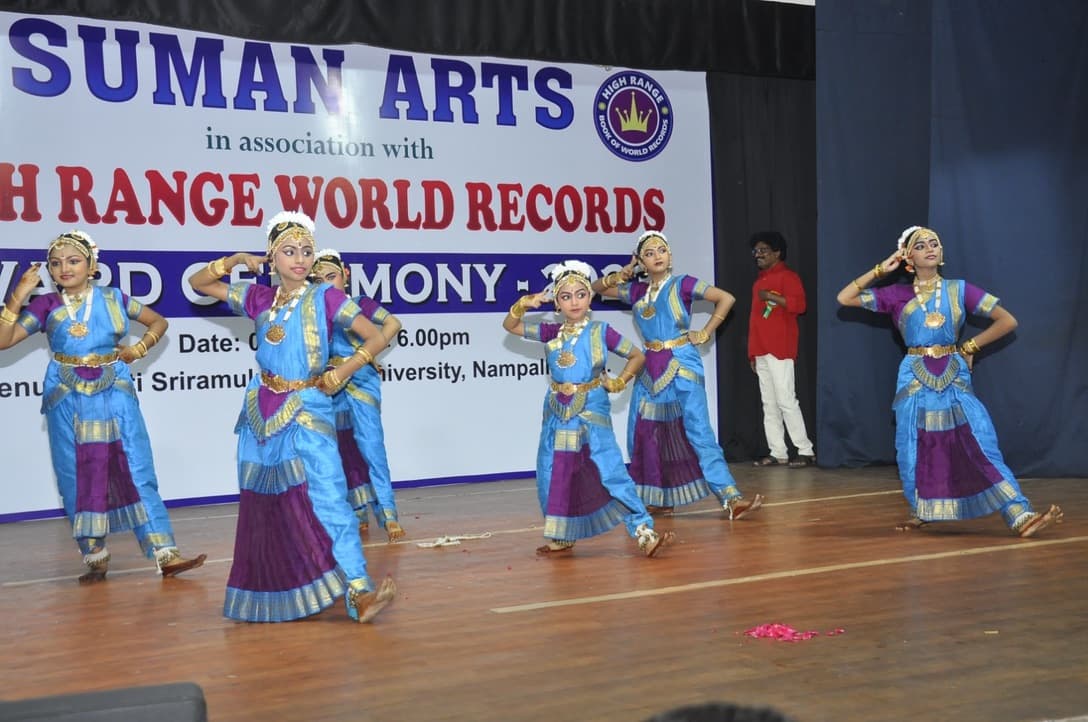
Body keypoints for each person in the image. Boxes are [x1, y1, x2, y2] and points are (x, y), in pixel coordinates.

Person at [187, 211, 397, 623]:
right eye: (288, 251)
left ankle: (359, 591)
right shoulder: (259, 298)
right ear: (272, 257)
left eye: (305, 251)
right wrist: (232, 262)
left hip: (309, 407)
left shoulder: (326, 297)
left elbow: (377, 335)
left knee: (330, 497)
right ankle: (273, 590)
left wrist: (343, 370)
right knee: (266, 504)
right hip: (260, 410)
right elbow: (199, 284)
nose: (299, 259)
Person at [0, 230, 206, 583]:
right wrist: (17, 297)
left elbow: (159, 322)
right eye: (56, 262)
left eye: (73, 260)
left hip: (115, 388)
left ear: (92, 266)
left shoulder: (115, 298)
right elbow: (4, 342)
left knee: (136, 464)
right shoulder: (45, 306)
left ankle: (165, 552)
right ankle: (94, 554)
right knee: (74, 472)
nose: (64, 268)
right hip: (67, 396)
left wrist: (138, 350)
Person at [836, 225, 1063, 537]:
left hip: (953, 373)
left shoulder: (959, 289)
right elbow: (844, 298)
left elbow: (1007, 321)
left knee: (980, 440)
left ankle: (1019, 513)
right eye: (921, 246)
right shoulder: (897, 295)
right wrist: (880, 269)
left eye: (935, 244)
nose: (930, 248)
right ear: (908, 258)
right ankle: (921, 510)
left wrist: (969, 347)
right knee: (913, 446)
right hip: (914, 375)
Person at [502, 260, 674, 557]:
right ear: (556, 302)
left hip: (592, 407)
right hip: (557, 410)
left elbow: (636, 356)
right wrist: (523, 303)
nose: (574, 301)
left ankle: (643, 530)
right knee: (553, 471)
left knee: (610, 469)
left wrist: (619, 381)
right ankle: (562, 535)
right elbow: (511, 326)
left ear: (590, 298)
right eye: (565, 297)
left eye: (580, 294)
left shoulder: (600, 332)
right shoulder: (550, 333)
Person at [592, 231, 764, 519]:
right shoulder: (636, 292)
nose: (657, 255)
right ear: (641, 262)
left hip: (682, 362)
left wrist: (706, 331)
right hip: (649, 368)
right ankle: (659, 499)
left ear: (670, 255)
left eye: (662, 250)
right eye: (649, 253)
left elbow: (726, 298)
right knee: (646, 434)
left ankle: (731, 497)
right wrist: (623, 273)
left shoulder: (683, 284)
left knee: (698, 429)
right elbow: (597, 288)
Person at [310, 248, 405, 542]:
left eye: (331, 276)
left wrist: (368, 354)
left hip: (361, 380)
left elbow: (393, 323)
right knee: (342, 448)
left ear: (345, 275)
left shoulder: (360, 304)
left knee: (372, 446)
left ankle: (388, 513)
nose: (327, 284)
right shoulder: (316, 311)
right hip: (330, 383)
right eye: (319, 280)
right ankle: (358, 510)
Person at [747, 231, 816, 468]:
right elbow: (754, 322)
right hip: (761, 349)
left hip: (781, 348)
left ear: (777, 252)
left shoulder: (788, 277)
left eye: (764, 250)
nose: (758, 255)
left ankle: (805, 450)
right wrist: (752, 353)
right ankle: (778, 451)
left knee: (787, 399)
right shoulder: (759, 282)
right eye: (756, 251)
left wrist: (773, 298)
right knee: (769, 403)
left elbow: (800, 305)